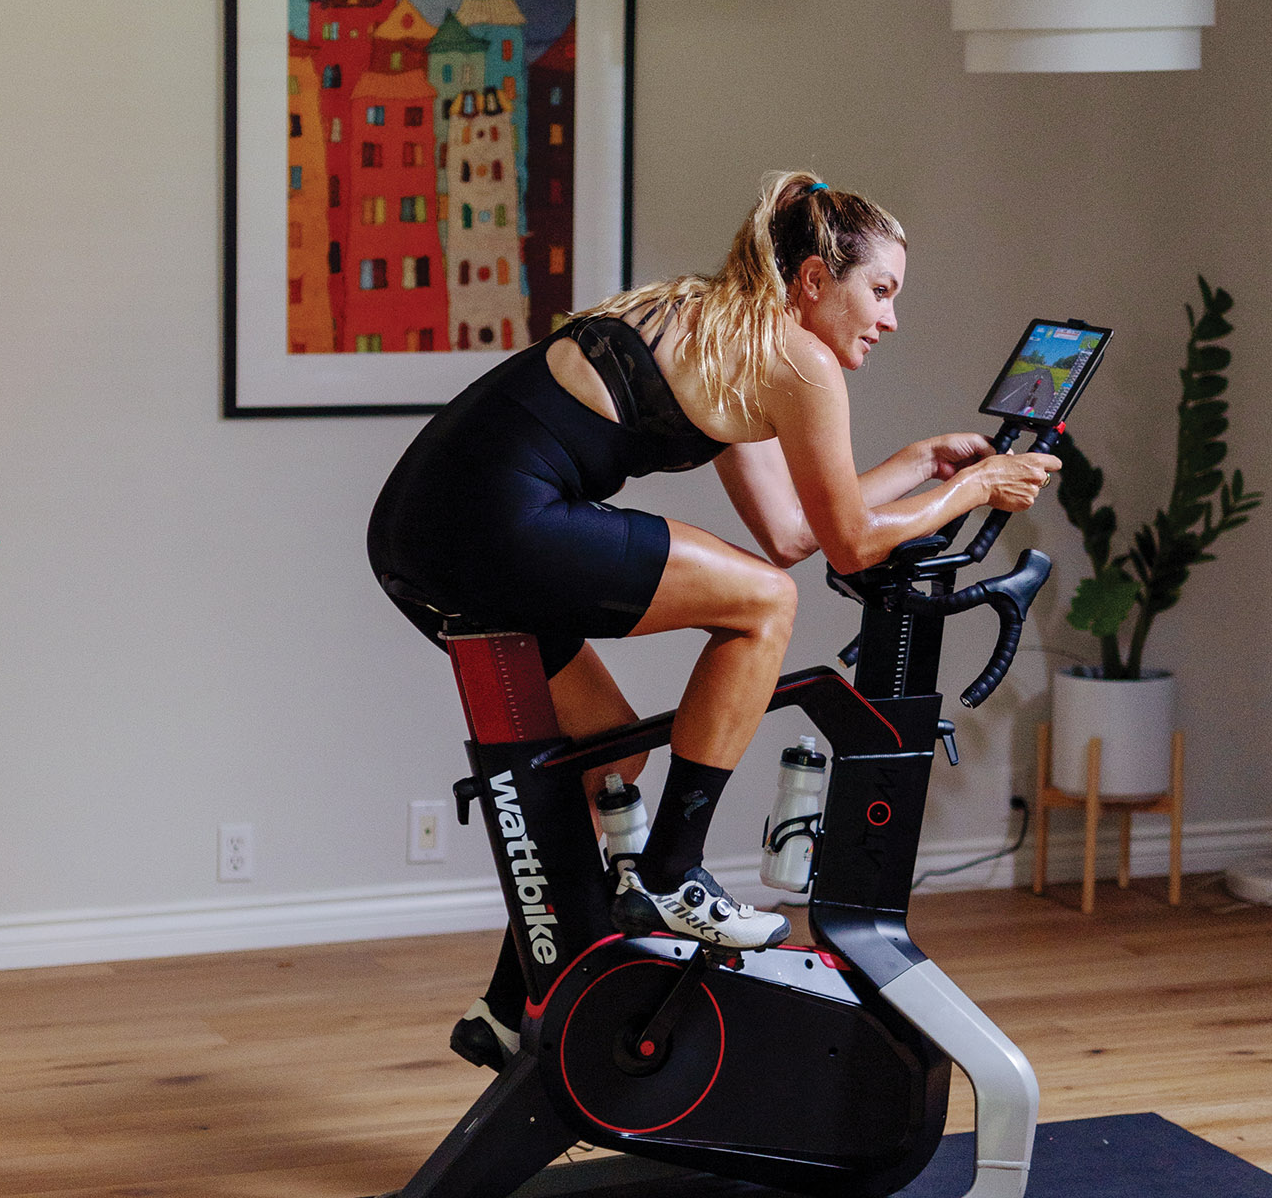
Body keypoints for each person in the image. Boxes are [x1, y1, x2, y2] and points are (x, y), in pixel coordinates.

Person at [367, 169, 1058, 1069]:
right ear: (814, 280)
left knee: (610, 747)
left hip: (424, 532)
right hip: (496, 522)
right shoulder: (793, 357)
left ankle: (510, 1004)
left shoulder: (724, 330)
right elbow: (846, 550)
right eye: (879, 291)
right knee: (765, 609)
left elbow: (789, 532)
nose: (889, 318)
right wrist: (971, 488)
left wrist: (917, 465)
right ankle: (670, 877)